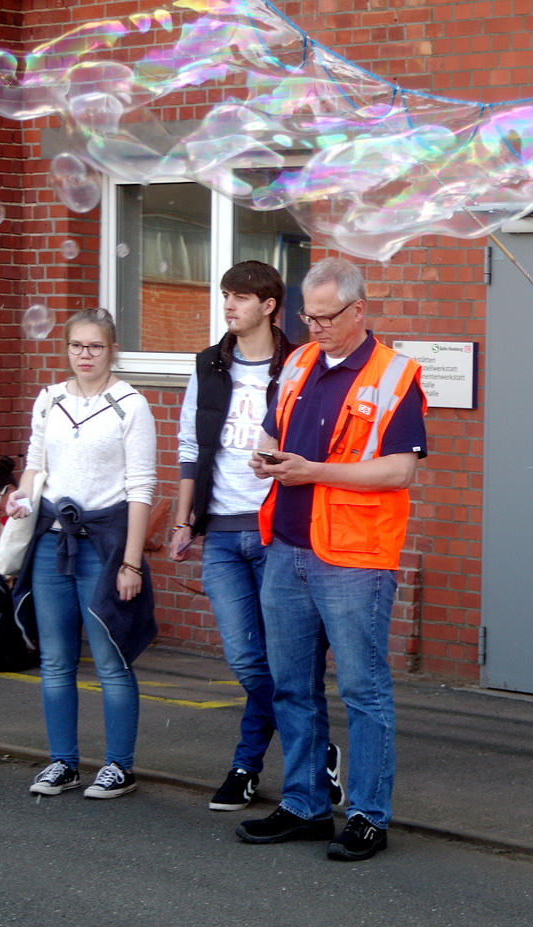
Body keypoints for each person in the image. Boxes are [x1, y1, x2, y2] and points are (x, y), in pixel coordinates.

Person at [236, 257, 427, 861]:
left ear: (359, 310)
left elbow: (400, 469)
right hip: (288, 547)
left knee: (363, 691)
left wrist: (314, 471)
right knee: (291, 686)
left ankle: (369, 815)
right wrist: (264, 457)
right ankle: (305, 804)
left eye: (325, 317)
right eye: (308, 316)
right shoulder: (296, 364)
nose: (314, 327)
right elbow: (273, 432)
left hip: (355, 559)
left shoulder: (398, 375)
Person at [172, 260, 342, 812]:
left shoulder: (300, 365)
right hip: (221, 533)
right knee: (250, 662)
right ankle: (317, 751)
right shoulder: (208, 366)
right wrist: (182, 522)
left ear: (269, 305)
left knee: (286, 662)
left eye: (240, 296)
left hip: (279, 533)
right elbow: (190, 450)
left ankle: (246, 766)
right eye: (225, 295)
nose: (228, 305)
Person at [9, 309, 158, 800]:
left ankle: (119, 765)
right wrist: (22, 498)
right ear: (67, 348)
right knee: (55, 660)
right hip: (52, 542)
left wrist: (131, 562)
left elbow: (141, 489)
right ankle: (63, 763)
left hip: (105, 546)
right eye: (77, 346)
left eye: (95, 346)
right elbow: (35, 465)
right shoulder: (50, 399)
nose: (85, 355)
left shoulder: (130, 405)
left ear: (112, 348)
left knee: (112, 659)